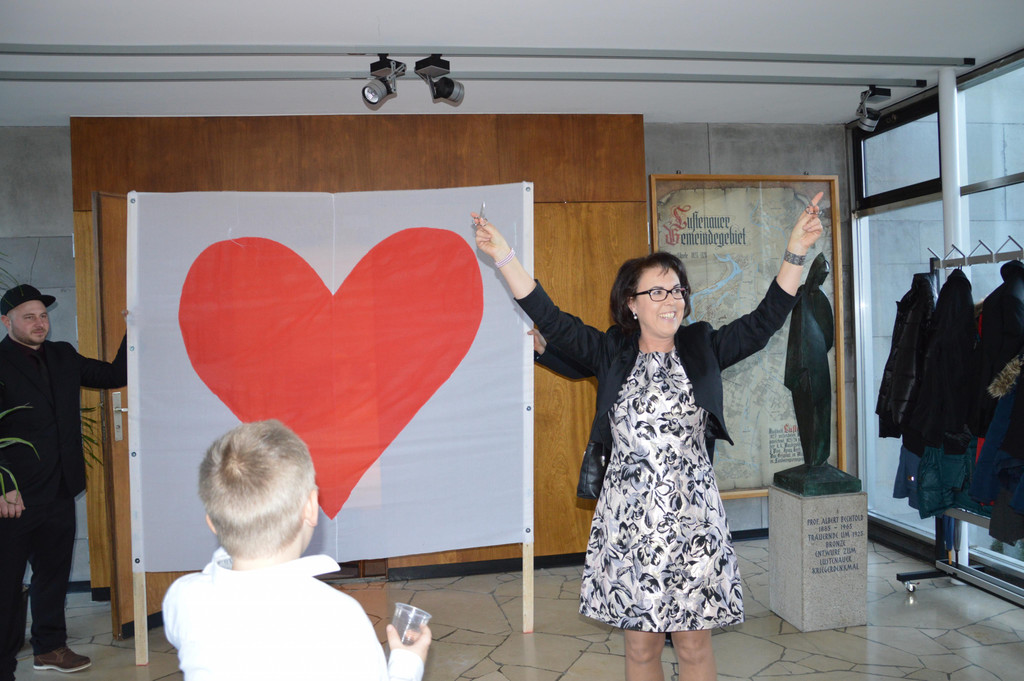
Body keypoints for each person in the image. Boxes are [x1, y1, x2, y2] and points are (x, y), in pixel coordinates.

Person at [474, 195, 823, 681]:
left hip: (693, 520)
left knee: (694, 643)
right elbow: (550, 317)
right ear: (631, 304)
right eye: (657, 292)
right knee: (641, 648)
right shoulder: (610, 351)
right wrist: (504, 255)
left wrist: (796, 250)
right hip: (629, 521)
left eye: (677, 290)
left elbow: (764, 321)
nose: (671, 300)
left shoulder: (703, 346)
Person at [162, 419, 431, 681]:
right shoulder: (340, 618)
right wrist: (407, 662)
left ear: (212, 523)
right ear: (312, 507)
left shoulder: (184, 597)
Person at [0, 284, 127, 679]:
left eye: (43, 316)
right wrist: (3, 483)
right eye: (29, 317)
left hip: (59, 488)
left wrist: (134, 330)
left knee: (53, 576)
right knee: (6, 584)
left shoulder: (63, 355)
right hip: (14, 496)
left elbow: (115, 375)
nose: (40, 323)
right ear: (6, 322)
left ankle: (50, 648)